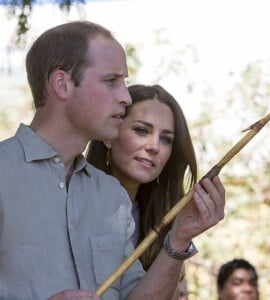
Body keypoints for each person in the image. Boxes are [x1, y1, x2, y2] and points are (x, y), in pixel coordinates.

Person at [0, 21, 225, 300]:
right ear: (63, 84)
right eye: (111, 81)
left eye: (125, 82)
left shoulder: (111, 196)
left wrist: (179, 237)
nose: (125, 96)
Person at [86, 84, 197, 298]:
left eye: (166, 139)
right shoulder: (72, 199)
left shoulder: (164, 223)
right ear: (109, 135)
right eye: (141, 130)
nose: (154, 146)